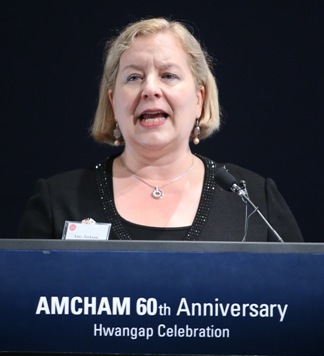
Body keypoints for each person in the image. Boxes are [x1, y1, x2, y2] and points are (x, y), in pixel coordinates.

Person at [18, 17, 303, 242]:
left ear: (198, 99)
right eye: (133, 77)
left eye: (168, 75)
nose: (150, 89)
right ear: (113, 102)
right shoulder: (58, 201)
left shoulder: (253, 200)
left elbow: (299, 302)